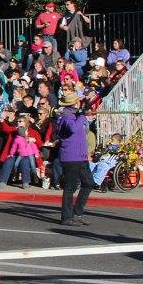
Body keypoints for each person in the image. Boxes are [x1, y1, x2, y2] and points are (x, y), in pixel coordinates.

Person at [54, 90, 92, 225]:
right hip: (71, 157)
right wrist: (81, 116)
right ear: (75, 103)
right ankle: (66, 217)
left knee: (88, 183)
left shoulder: (73, 115)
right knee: (70, 188)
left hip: (80, 156)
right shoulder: (66, 116)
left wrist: (81, 115)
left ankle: (77, 212)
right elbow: (72, 129)